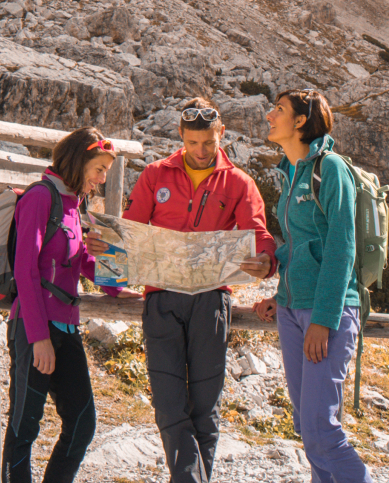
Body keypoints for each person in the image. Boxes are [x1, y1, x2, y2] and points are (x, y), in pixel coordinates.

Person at [94, 96, 274, 483]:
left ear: (221, 133)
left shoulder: (240, 182)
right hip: (161, 299)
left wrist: (265, 261)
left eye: (209, 142)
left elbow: (259, 236)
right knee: (168, 403)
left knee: (205, 409)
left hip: (212, 300)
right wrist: (109, 270)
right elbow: (131, 232)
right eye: (193, 143)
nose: (201, 151)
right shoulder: (155, 175)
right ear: (180, 135)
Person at [255, 89, 371, 483]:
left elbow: (341, 247)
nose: (270, 116)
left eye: (279, 110)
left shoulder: (330, 168)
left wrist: (324, 319)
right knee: (309, 431)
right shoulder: (289, 174)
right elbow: (300, 247)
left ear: (301, 121)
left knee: (322, 432)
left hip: (328, 313)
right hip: (291, 311)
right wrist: (277, 296)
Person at [7, 126, 121, 483]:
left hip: (66, 327)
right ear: (80, 160)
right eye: (99, 169)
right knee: (24, 427)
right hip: (33, 327)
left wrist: (117, 286)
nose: (101, 179)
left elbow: (83, 261)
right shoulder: (41, 197)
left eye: (105, 172)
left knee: (82, 423)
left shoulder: (74, 203)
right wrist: (39, 337)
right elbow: (25, 270)